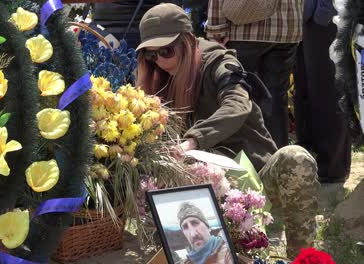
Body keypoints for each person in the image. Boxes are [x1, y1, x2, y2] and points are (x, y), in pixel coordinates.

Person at [136, 4, 320, 258]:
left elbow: (237, 103)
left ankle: (302, 256)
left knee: (295, 159)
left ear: (188, 42)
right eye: (150, 54)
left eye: (166, 51)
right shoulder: (158, 77)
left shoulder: (220, 62)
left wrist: (193, 140)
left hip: (252, 182)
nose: (159, 61)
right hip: (199, 194)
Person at [205, 0, 303, 149]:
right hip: (287, 28)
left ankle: (240, 157)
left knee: (237, 96)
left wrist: (215, 29)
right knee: (275, 101)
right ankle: (277, 161)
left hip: (243, 30)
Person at [293, 0, 351, 184]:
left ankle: (332, 168)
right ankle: (307, 162)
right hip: (302, 21)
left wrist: (322, 14)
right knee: (304, 92)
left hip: (326, 21)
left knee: (326, 92)